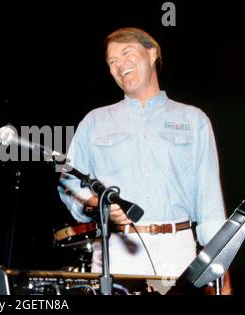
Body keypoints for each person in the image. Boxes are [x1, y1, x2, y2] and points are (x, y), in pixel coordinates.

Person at [58, 27, 231, 293]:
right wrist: (97, 204)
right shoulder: (94, 121)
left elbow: (210, 209)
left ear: (152, 54)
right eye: (112, 62)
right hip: (116, 253)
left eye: (126, 53)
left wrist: (222, 274)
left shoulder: (194, 120)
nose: (119, 65)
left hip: (178, 253)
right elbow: (69, 183)